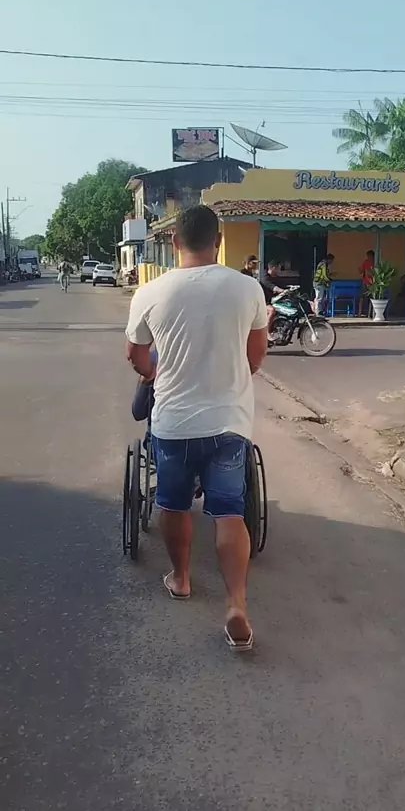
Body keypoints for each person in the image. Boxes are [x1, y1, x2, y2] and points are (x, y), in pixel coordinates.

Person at [125, 205, 268, 651]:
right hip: (229, 423)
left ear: (174, 242)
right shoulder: (248, 288)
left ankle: (182, 578)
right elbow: (256, 357)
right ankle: (237, 605)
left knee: (172, 504)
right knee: (229, 512)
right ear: (218, 241)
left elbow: (136, 356)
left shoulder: (151, 291)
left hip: (174, 422)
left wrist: (153, 373)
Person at [259, 261, 284, 335]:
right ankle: (266, 333)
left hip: (269, 301)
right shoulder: (264, 277)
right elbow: (271, 286)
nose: (279, 271)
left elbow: (283, 285)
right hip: (261, 302)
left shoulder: (276, 278)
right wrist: (280, 290)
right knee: (272, 310)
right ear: (274, 268)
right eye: (278, 269)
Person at [358, 249, 375, 317]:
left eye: (369, 256)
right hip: (366, 282)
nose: (368, 257)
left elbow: (362, 271)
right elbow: (361, 271)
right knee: (363, 298)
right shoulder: (367, 262)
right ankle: (361, 313)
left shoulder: (374, 262)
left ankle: (369, 313)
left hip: (371, 283)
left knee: (369, 299)